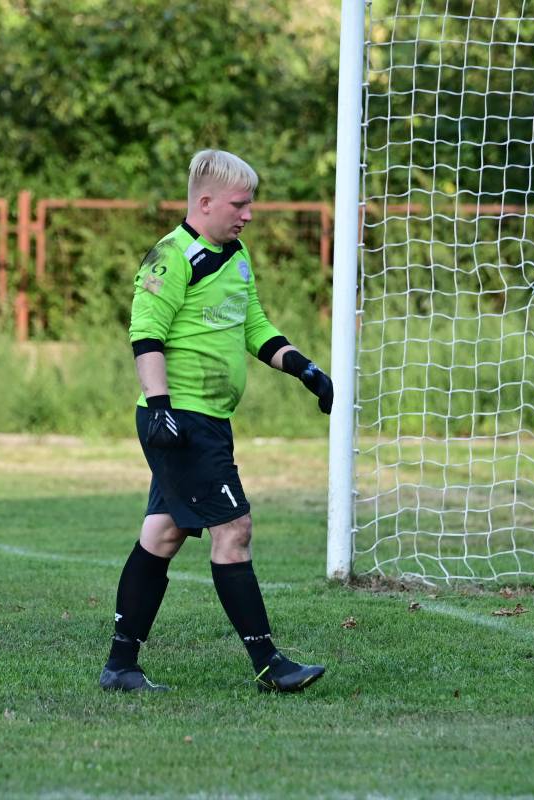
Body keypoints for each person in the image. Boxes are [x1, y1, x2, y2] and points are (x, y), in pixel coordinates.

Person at [99, 149, 334, 694]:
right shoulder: (171, 257)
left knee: (163, 534)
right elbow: (145, 336)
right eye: (239, 204)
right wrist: (160, 406)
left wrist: (303, 368)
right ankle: (270, 664)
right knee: (234, 530)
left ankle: (120, 666)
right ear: (205, 203)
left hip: (210, 420)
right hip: (181, 420)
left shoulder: (236, 256)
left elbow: (254, 327)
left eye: (250, 204)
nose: (248, 214)